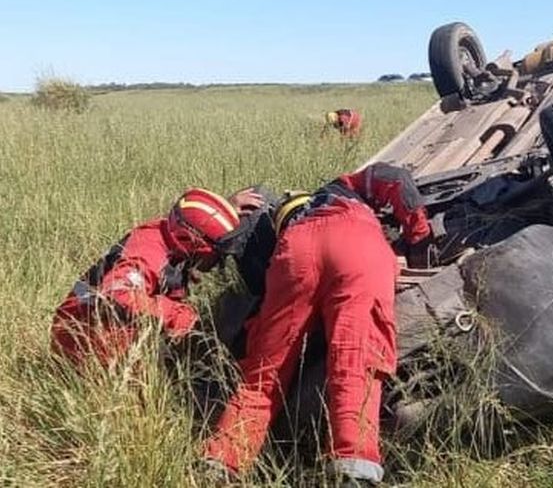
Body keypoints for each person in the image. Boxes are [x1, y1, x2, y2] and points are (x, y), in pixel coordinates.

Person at [202, 162, 433, 486]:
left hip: (294, 255)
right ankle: (353, 468)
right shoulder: (342, 188)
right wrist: (419, 239)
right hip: (356, 240)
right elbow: (394, 178)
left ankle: (221, 464)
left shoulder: (288, 231)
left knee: (262, 377)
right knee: (355, 361)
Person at [50, 187, 261, 366]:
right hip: (81, 338)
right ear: (196, 243)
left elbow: (198, 219)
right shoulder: (148, 255)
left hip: (86, 322)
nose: (219, 259)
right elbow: (117, 295)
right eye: (218, 250)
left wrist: (225, 211)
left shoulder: (171, 232)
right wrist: (177, 315)